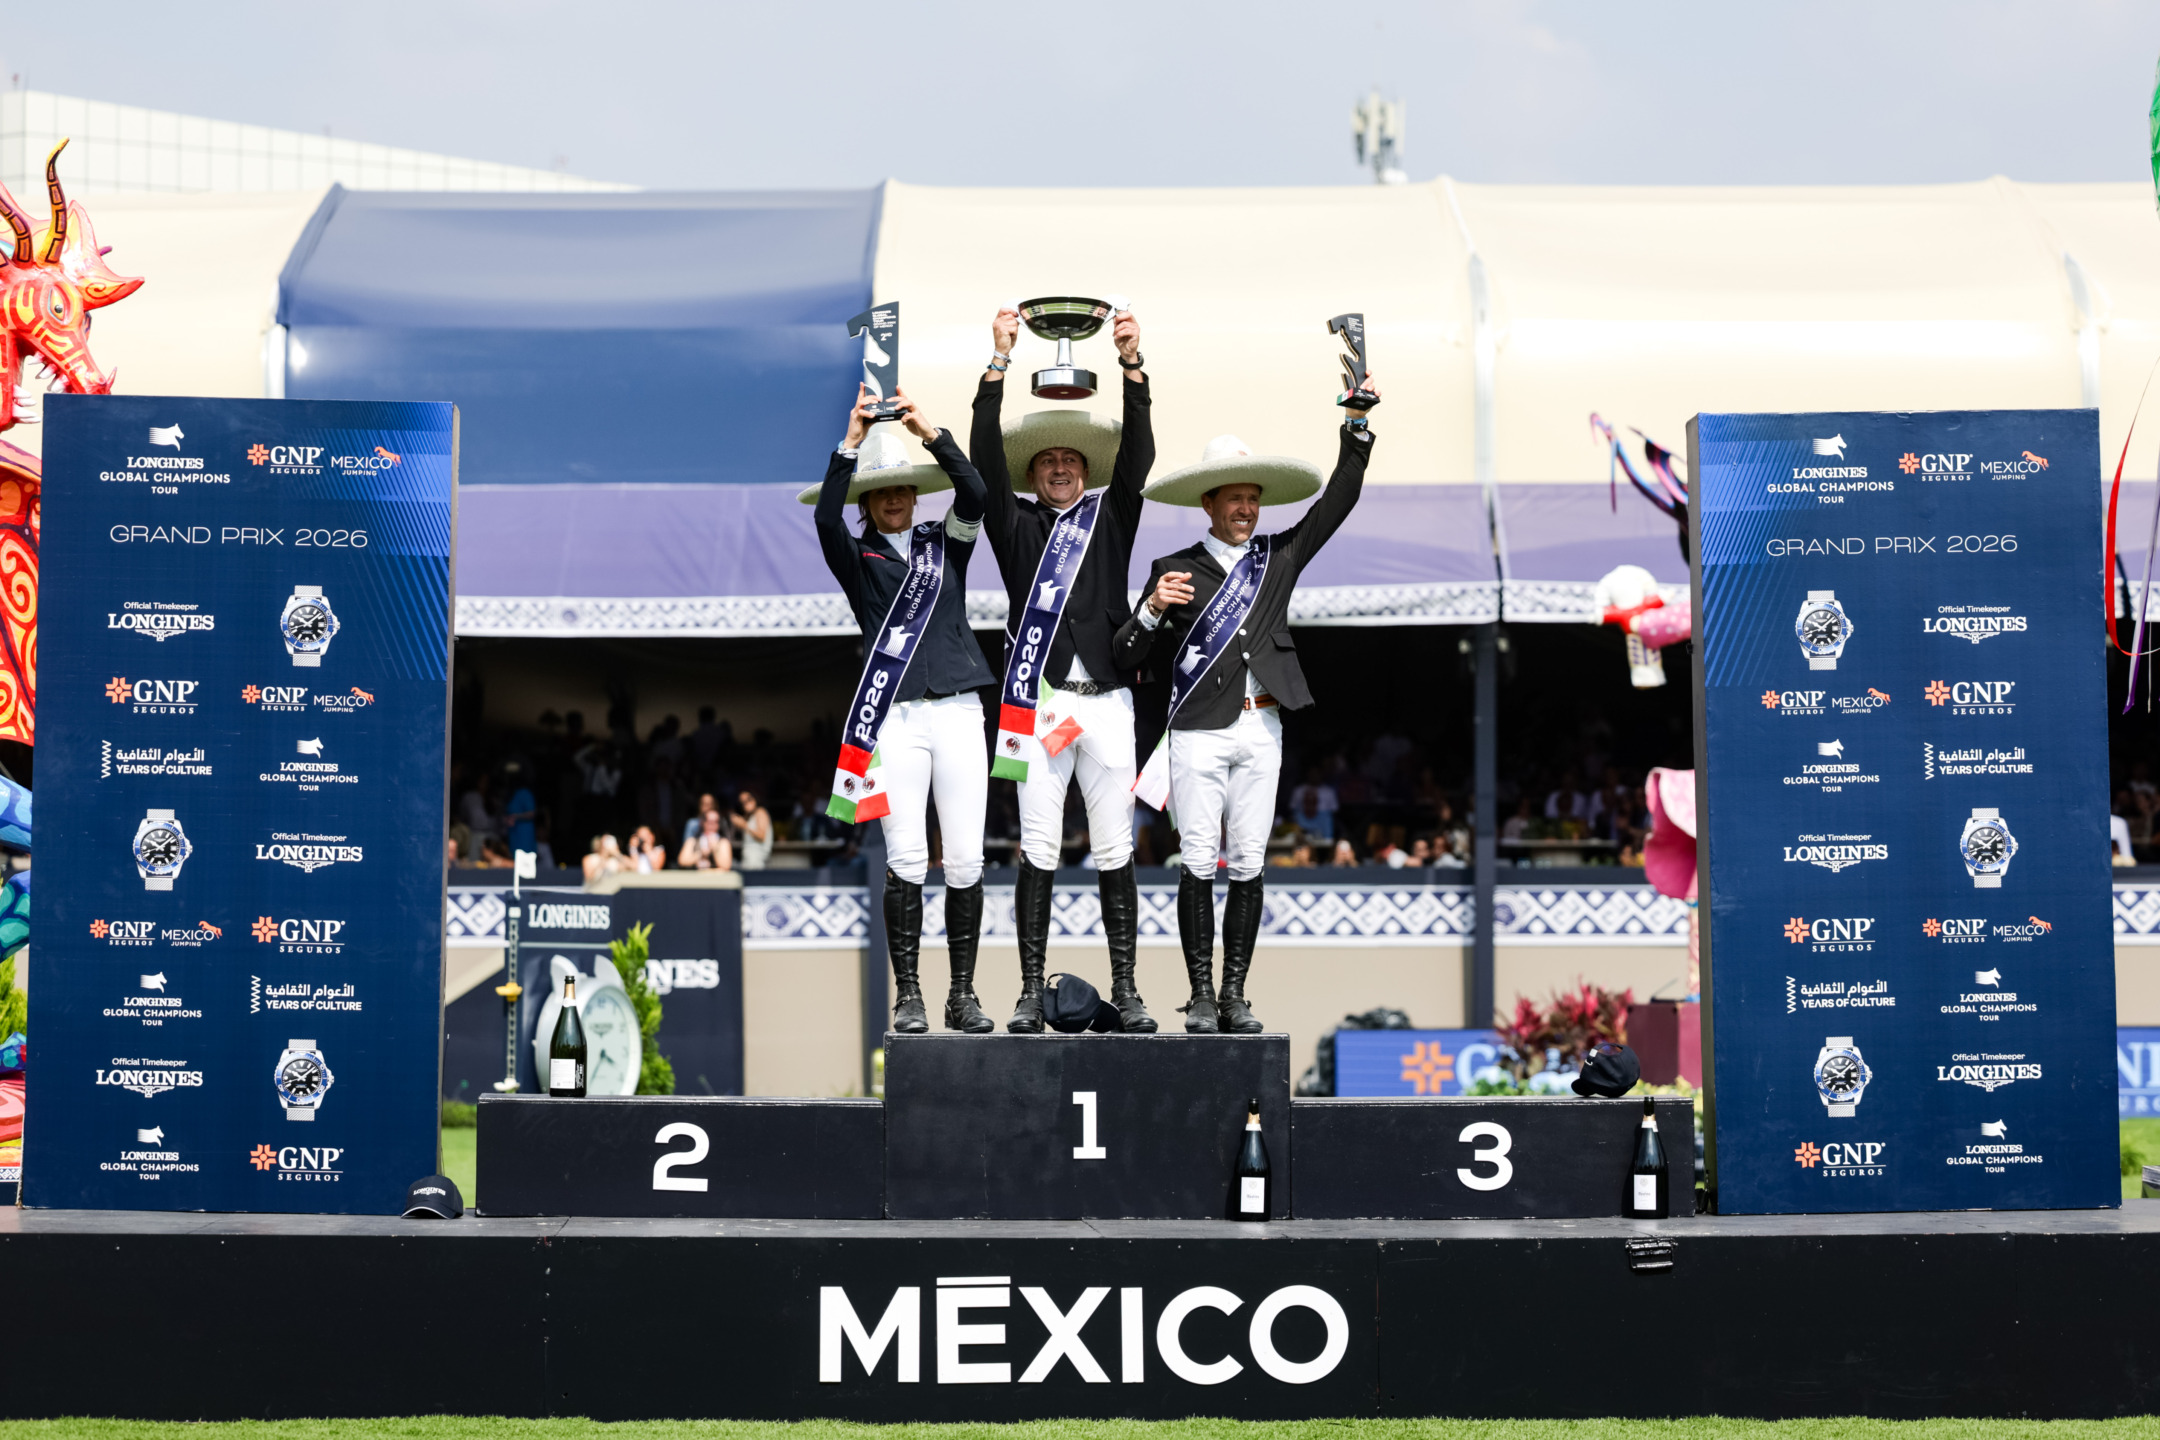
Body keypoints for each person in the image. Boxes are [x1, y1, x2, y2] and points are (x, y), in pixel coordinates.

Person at [1113, 375, 1378, 1032]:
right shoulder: (1172, 567)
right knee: (1199, 859)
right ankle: (1200, 994)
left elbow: (1334, 506)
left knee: (1252, 863)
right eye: (1236, 499)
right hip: (1198, 732)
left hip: (1263, 723)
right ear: (1209, 503)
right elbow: (1124, 656)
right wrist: (1150, 610)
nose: (1248, 510)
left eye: (1254, 500)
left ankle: (1236, 994)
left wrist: (1357, 429)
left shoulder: (1276, 557)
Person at [970, 303, 1157, 1033]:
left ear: (1086, 471)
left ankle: (1130, 989)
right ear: (1035, 473)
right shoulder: (1014, 526)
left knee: (1116, 849)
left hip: (1107, 701)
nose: (1058, 468)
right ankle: (1024, 991)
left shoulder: (1111, 518)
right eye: (1047, 462)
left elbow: (1138, 454)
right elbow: (984, 457)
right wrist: (999, 362)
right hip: (1038, 705)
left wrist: (1131, 367)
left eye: (1070, 461)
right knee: (1037, 849)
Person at [808, 385, 995, 1035]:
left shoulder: (946, 545)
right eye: (881, 490)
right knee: (908, 858)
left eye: (903, 489)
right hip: (895, 722)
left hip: (961, 712)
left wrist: (930, 434)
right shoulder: (856, 560)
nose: (894, 498)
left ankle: (963, 994)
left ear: (915, 495)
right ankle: (910, 994)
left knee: (967, 858)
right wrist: (852, 443)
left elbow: (976, 496)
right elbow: (825, 521)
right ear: (869, 499)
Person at [732, 788, 774, 870]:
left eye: (748, 799)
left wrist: (744, 825)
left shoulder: (760, 812)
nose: (746, 803)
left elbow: (761, 836)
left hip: (756, 859)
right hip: (749, 858)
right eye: (742, 802)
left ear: (755, 798)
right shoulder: (750, 817)